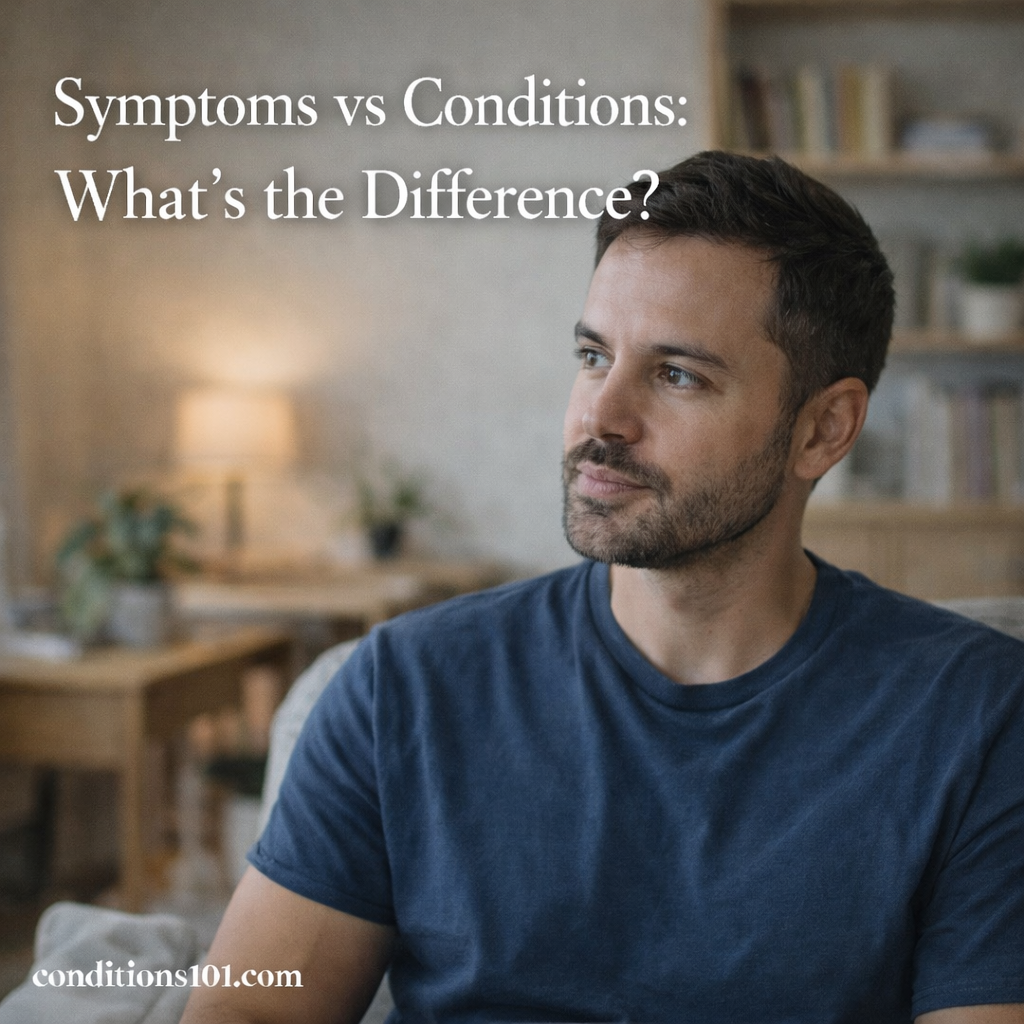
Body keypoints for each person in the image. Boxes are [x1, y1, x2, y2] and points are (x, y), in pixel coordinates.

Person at [182, 152, 1024, 1024]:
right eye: (594, 355)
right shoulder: (406, 686)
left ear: (823, 429)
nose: (599, 418)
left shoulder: (978, 717)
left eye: (677, 375)